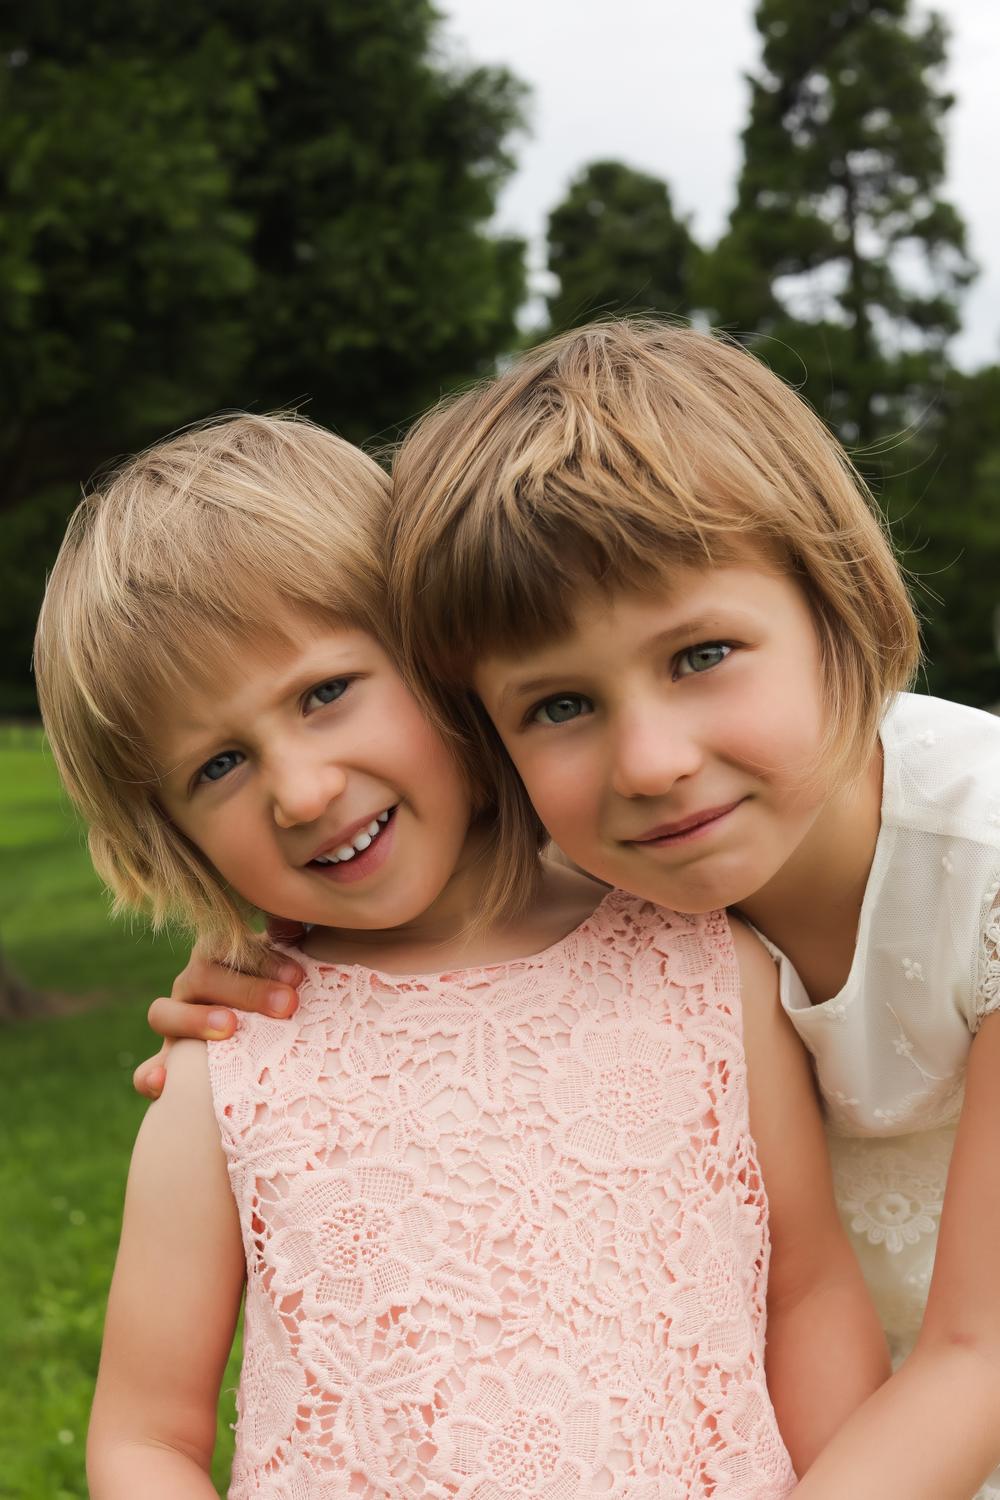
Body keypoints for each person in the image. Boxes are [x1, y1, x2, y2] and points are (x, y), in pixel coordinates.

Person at [147, 320, 1000, 1498]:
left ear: (837, 604)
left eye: (701, 654)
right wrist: (258, 984)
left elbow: (978, 1359)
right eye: (557, 706)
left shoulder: (986, 864)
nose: (647, 762)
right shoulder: (596, 857)